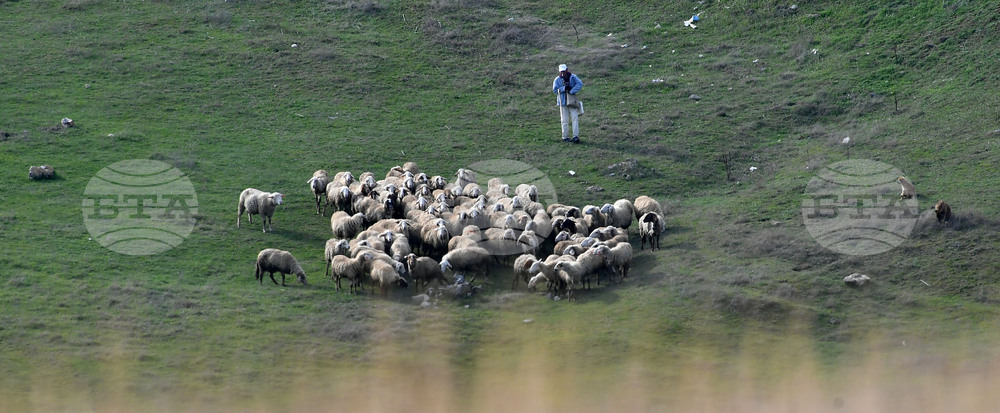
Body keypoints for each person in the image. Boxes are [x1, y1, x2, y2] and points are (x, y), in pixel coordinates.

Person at [552, 63, 583, 143]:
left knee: (575, 118)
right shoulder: (557, 80)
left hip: (572, 101)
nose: (563, 73)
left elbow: (580, 84)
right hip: (562, 102)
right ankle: (565, 137)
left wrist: (572, 91)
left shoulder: (573, 77)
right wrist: (564, 88)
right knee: (564, 120)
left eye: (564, 71)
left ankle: (575, 136)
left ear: (567, 70)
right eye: (561, 71)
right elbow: (555, 90)